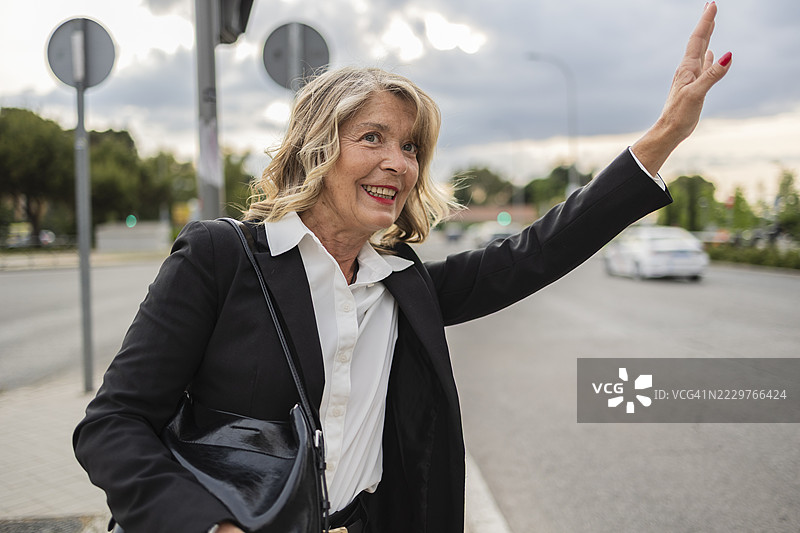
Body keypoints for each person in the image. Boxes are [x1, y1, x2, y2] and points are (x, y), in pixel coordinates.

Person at [74, 4, 731, 532]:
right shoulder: (222, 257)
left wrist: (666, 133)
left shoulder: (401, 284)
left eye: (410, 146)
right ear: (318, 148)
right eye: (373, 138)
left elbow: (536, 252)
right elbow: (113, 424)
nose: (399, 162)